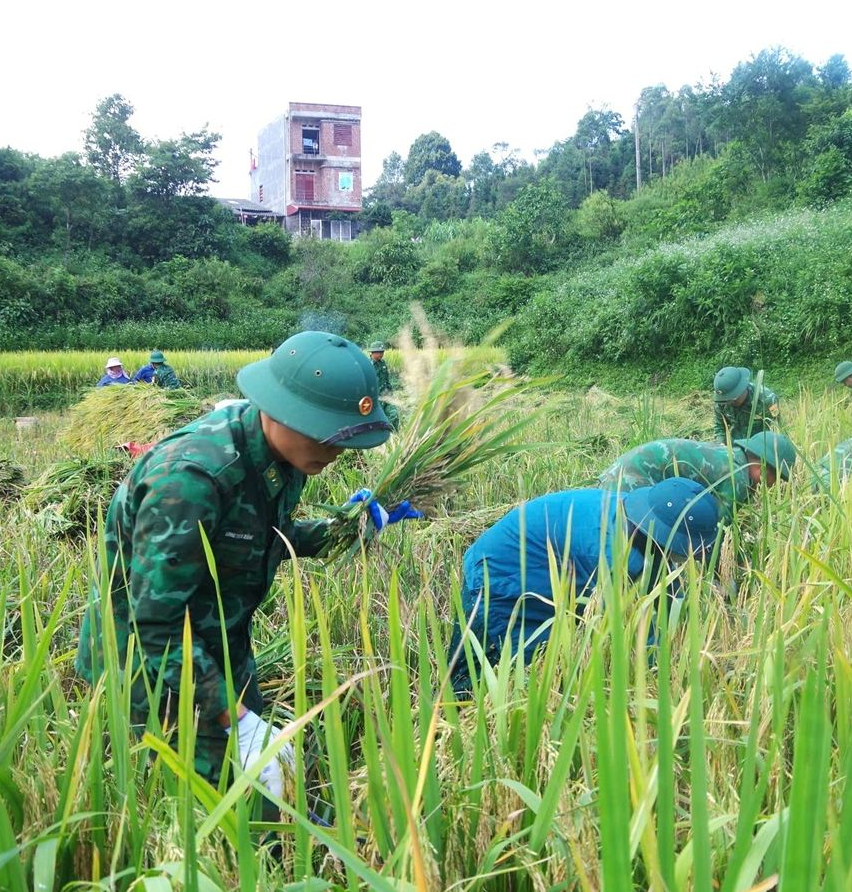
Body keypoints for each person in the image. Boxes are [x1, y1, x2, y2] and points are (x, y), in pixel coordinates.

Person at [76, 332, 404, 795]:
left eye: (342, 439)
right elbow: (155, 622)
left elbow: (260, 536)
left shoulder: (288, 456)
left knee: (265, 785)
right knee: (199, 805)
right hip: (150, 665)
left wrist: (346, 529)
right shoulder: (191, 479)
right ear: (277, 407)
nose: (334, 451)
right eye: (324, 433)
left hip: (220, 642)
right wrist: (239, 721)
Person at [448, 477, 720, 694]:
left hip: (548, 567)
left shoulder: (638, 519)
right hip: (499, 576)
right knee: (500, 663)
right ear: (664, 535)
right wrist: (669, 670)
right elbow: (624, 630)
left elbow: (661, 589)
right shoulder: (610, 555)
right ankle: (449, 718)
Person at [597, 433, 797, 517]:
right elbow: (717, 531)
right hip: (632, 478)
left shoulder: (731, 456)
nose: (774, 485)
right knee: (633, 536)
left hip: (621, 469)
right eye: (777, 478)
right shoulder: (736, 478)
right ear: (763, 468)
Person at [712, 366, 778, 445]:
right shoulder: (722, 402)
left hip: (761, 444)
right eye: (727, 400)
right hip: (736, 444)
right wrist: (721, 445)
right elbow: (719, 427)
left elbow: (775, 428)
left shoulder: (766, 399)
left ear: (743, 388)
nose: (729, 403)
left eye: (733, 398)